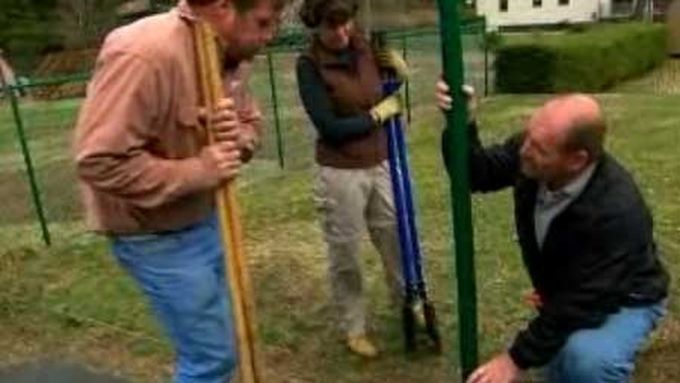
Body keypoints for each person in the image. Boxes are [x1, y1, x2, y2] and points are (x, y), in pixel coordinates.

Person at [73, 1, 289, 382]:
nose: (270, 35)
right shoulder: (144, 52)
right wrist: (199, 170)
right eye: (263, 23)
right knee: (211, 358)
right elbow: (99, 160)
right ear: (224, 8)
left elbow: (250, 124)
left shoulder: (231, 52)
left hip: (208, 216)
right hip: (152, 233)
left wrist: (239, 139)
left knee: (233, 337)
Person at [436, 81, 669, 383]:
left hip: (627, 296)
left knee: (586, 361)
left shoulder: (616, 211)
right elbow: (478, 173)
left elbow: (582, 301)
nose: (524, 151)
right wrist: (461, 124)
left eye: (539, 148)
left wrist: (514, 360)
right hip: (575, 287)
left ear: (577, 160)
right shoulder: (532, 154)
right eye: (529, 138)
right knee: (561, 361)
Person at [295, 0, 411, 358]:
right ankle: (354, 326)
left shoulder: (365, 45)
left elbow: (385, 88)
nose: (343, 32)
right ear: (316, 27)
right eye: (333, 26)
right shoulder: (309, 65)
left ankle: (409, 305)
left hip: (381, 162)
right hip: (340, 171)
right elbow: (330, 127)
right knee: (346, 251)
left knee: (395, 236)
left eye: (347, 23)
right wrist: (377, 115)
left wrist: (400, 76)